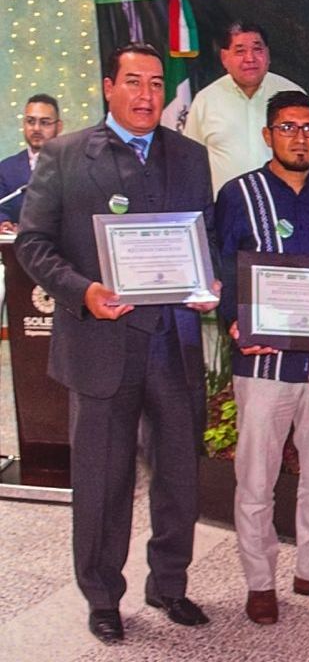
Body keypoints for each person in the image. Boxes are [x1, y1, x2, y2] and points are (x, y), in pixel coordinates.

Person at [16, 42, 220, 643]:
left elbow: (204, 236)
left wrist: (208, 281)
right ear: (109, 87)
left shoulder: (189, 156)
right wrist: (82, 291)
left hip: (174, 342)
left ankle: (170, 584)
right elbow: (32, 244)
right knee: (103, 481)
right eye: (134, 82)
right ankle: (102, 596)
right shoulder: (65, 155)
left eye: (156, 83)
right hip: (101, 342)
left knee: (179, 476)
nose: (147, 95)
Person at [215, 91, 309, 624]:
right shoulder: (239, 195)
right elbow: (222, 267)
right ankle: (260, 582)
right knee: (256, 479)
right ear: (268, 135)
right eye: (288, 128)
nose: (300, 138)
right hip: (263, 363)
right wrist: (234, 321)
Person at [183, 21, 301, 195]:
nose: (250, 58)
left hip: (284, 204)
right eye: (240, 51)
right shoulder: (205, 100)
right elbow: (190, 163)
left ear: (268, 54)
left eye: (257, 49)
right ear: (224, 58)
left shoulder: (294, 96)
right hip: (225, 207)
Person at [0, 93, 61, 230]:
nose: (36, 128)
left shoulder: (73, 165)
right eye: (30, 121)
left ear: (59, 126)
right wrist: (3, 223)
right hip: (20, 242)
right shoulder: (6, 168)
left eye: (44, 122)